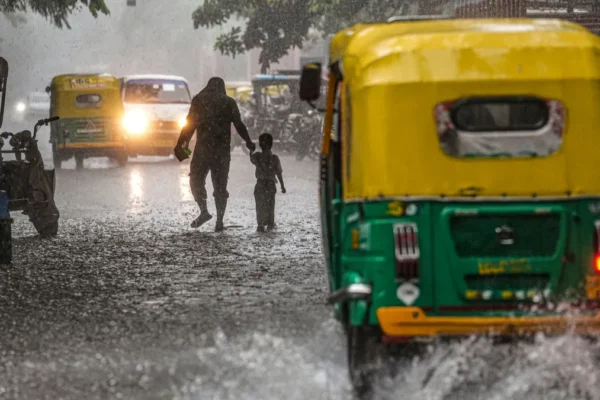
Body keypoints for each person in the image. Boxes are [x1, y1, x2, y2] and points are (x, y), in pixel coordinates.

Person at [175, 77, 256, 232]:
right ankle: (219, 220)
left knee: (196, 180)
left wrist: (181, 144)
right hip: (222, 151)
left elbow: (189, 125)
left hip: (202, 150)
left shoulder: (199, 100)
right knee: (220, 187)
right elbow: (239, 125)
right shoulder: (229, 102)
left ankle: (204, 211)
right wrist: (248, 141)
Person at [250, 133, 286, 232]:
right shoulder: (275, 158)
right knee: (270, 204)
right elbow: (279, 173)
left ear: (260, 145)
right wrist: (282, 186)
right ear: (271, 144)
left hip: (260, 184)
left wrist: (251, 150)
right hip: (270, 184)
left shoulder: (257, 156)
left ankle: (260, 224)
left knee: (260, 204)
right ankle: (270, 223)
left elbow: (251, 159)